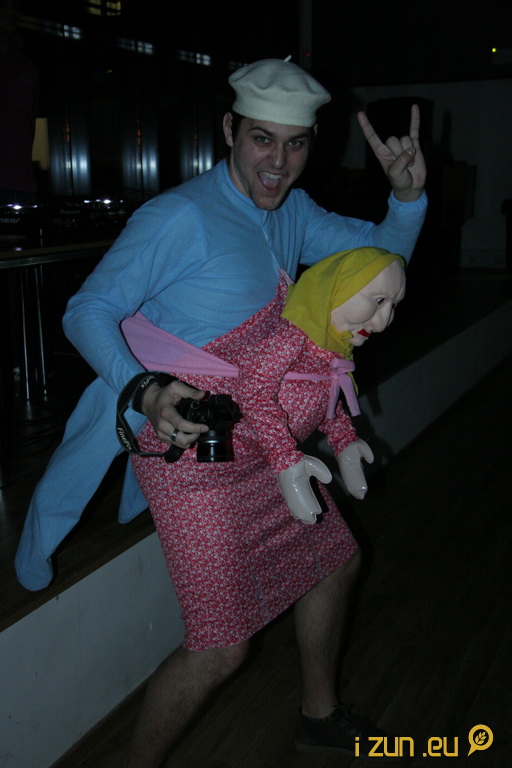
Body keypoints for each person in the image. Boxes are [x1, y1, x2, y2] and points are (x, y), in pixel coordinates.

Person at [14, 58, 426, 763]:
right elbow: (88, 310)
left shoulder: (294, 211)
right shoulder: (177, 216)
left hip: (271, 446)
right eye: (262, 139)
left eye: (295, 144)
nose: (278, 163)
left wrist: (407, 198)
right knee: (222, 648)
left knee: (336, 563)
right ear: (230, 129)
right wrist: (143, 388)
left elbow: (376, 268)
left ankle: (319, 716)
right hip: (192, 457)